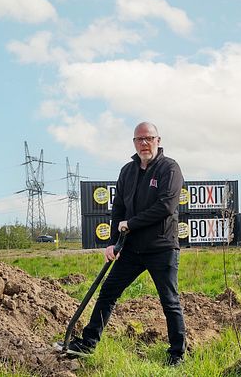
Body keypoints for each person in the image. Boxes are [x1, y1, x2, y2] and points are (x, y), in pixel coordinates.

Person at [64, 121, 187, 365]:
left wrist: (131, 224)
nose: (144, 143)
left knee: (169, 301)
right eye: (139, 139)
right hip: (130, 248)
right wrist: (112, 242)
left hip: (161, 247)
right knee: (108, 293)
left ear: (158, 141)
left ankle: (177, 354)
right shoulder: (127, 171)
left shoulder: (169, 169)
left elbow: (165, 206)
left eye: (149, 138)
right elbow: (118, 208)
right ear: (133, 143)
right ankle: (87, 344)